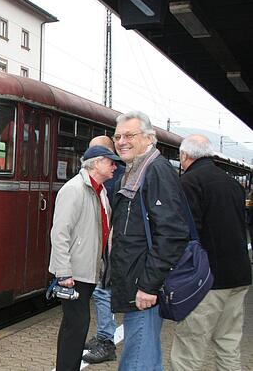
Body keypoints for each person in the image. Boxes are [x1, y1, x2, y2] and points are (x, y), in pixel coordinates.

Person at [109, 111, 188, 371]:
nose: (122, 141)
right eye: (117, 136)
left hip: (143, 286)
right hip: (136, 282)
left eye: (129, 135)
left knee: (137, 360)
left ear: (149, 138)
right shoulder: (136, 170)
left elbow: (172, 234)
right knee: (145, 355)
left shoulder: (155, 171)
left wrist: (148, 286)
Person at [169, 135, 251, 370]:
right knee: (228, 344)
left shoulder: (189, 183)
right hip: (238, 276)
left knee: (189, 349)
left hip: (207, 280)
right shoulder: (232, 183)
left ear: (185, 156)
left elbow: (184, 233)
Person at [49, 145, 121, 371]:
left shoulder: (98, 190)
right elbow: (60, 232)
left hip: (87, 270)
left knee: (73, 324)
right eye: (110, 162)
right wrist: (63, 272)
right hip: (74, 271)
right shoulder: (75, 189)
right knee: (77, 325)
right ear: (96, 163)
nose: (114, 166)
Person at [82, 135, 124, 364]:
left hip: (110, 246)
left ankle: (106, 341)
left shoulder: (111, 179)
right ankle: (103, 336)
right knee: (102, 291)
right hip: (108, 244)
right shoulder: (118, 175)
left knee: (102, 291)